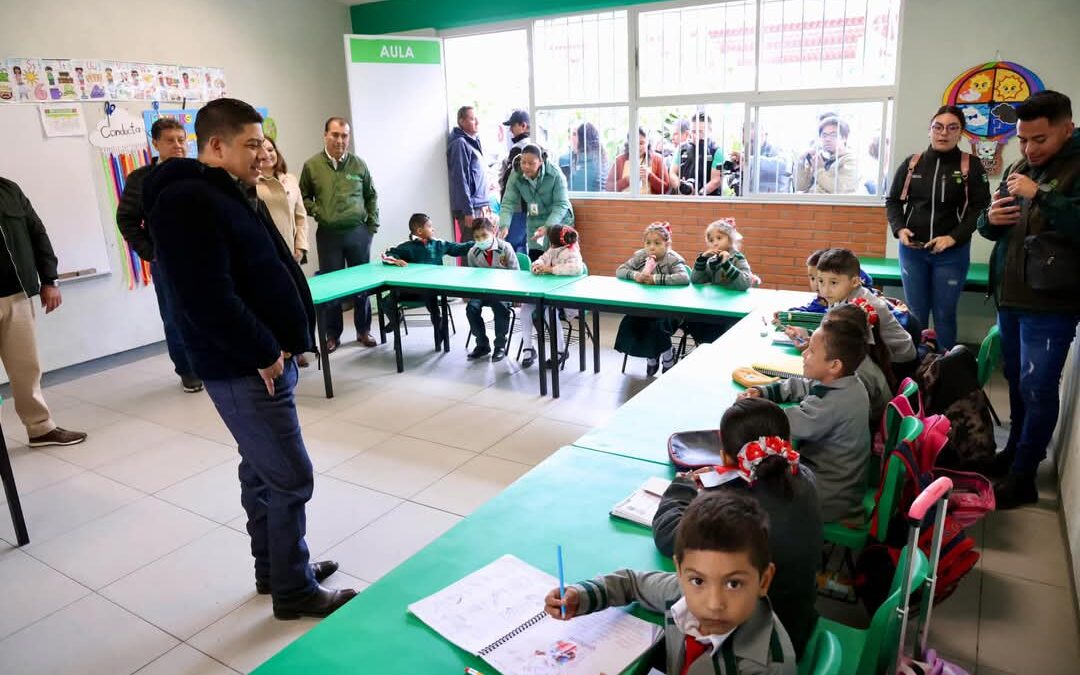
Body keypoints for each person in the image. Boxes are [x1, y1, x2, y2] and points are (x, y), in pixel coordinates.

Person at [144, 98, 355, 619]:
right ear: (215, 146)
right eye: (250, 143)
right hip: (244, 364)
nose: (262, 152)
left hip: (258, 357)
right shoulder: (190, 200)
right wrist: (265, 351)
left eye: (262, 142)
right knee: (290, 476)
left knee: (261, 471)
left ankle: (277, 570)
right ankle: (294, 591)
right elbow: (208, 298)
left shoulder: (228, 189)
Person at [545, 490, 796, 675]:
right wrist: (581, 595)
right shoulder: (680, 594)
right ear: (679, 571)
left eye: (733, 584)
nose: (714, 603)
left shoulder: (767, 667)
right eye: (698, 580)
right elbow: (632, 582)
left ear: (764, 581)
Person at [653, 398, 822, 659]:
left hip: (752, 644)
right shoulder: (805, 477)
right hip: (799, 621)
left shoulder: (736, 512)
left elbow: (668, 536)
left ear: (724, 457)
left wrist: (683, 484)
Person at [976, 90, 1080, 508]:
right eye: (1022, 139)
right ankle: (1013, 454)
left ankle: (1025, 476)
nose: (1029, 148)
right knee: (1017, 383)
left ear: (1067, 129)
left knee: (1038, 387)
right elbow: (990, 223)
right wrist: (990, 219)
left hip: (1051, 302)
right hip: (1012, 294)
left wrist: (1041, 195)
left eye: (1039, 139)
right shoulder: (1020, 165)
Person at [740, 317, 871, 523]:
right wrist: (764, 392)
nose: (804, 353)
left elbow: (783, 424)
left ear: (834, 365)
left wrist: (750, 411)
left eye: (811, 351)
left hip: (828, 497)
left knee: (749, 489)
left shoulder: (834, 402)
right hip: (840, 485)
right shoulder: (846, 382)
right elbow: (804, 385)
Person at [886, 105, 991, 351]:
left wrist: (953, 238)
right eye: (938, 127)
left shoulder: (971, 166)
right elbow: (893, 201)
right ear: (930, 130)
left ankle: (945, 369)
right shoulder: (912, 164)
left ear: (961, 133)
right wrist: (900, 229)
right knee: (916, 314)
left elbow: (980, 208)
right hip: (913, 252)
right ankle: (914, 367)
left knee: (945, 313)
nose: (944, 133)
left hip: (951, 254)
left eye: (952, 128)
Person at [116, 117, 202, 392]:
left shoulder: (200, 171)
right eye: (170, 141)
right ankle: (187, 370)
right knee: (175, 317)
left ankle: (212, 361)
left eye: (181, 140)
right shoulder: (141, 179)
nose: (178, 146)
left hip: (203, 256)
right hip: (167, 261)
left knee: (208, 309)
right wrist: (150, 252)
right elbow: (127, 219)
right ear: (155, 144)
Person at [0, 179, 87, 448]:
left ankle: (40, 428)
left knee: (26, 368)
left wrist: (50, 279)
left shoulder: (8, 190)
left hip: (16, 294)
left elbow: (37, 233)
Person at [299, 117, 379, 354]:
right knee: (331, 285)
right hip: (329, 234)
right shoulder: (312, 166)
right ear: (325, 135)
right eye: (335, 135)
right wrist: (318, 212)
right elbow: (302, 197)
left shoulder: (358, 165)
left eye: (344, 136)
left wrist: (371, 227)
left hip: (357, 233)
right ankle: (332, 335)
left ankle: (363, 330)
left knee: (361, 285)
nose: (340, 140)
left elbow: (371, 195)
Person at [816, 248, 918, 373]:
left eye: (833, 282)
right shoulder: (840, 295)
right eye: (821, 281)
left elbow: (857, 353)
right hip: (877, 355)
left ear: (854, 281)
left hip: (899, 361)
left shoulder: (862, 307)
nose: (825, 290)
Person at [614, 222, 690, 377]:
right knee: (631, 322)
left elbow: (684, 278)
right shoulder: (641, 256)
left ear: (667, 244)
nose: (651, 247)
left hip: (671, 309)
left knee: (658, 326)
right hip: (646, 306)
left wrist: (656, 279)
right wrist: (636, 275)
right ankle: (651, 356)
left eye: (657, 243)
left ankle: (668, 357)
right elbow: (620, 270)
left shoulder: (673, 259)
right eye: (647, 243)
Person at [381, 213, 474, 336]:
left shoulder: (439, 244)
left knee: (432, 301)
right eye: (430, 226)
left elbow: (459, 248)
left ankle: (439, 327)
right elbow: (387, 255)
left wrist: (477, 243)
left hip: (430, 290)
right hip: (409, 289)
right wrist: (396, 260)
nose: (433, 229)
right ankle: (396, 319)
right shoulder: (406, 247)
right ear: (419, 231)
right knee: (386, 302)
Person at [517, 224, 583, 369]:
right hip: (545, 294)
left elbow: (576, 268)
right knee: (525, 309)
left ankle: (560, 351)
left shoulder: (572, 252)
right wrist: (537, 266)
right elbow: (542, 259)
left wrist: (551, 269)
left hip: (565, 299)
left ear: (552, 240)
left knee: (549, 312)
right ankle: (528, 349)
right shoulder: (553, 249)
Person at [498, 144, 575, 262]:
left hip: (559, 221)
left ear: (540, 161)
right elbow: (508, 202)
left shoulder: (555, 174)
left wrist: (548, 227)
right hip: (535, 219)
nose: (526, 166)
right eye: (523, 162)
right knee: (536, 260)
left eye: (531, 163)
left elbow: (561, 204)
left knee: (557, 261)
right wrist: (504, 225)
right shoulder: (516, 173)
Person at [684, 219, 756, 345]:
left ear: (730, 239)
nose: (715, 243)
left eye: (719, 238)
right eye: (711, 240)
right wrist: (702, 260)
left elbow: (745, 282)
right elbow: (696, 280)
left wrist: (727, 264)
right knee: (693, 320)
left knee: (723, 331)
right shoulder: (712, 259)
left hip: (732, 308)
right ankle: (704, 345)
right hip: (714, 305)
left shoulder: (737, 258)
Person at [464, 217, 520, 362]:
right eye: (477, 237)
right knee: (471, 308)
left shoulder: (505, 247)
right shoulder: (473, 253)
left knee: (499, 305)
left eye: (484, 235)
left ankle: (500, 345)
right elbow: (473, 277)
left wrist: (516, 297)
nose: (481, 240)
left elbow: (517, 274)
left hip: (503, 290)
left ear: (493, 232)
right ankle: (482, 344)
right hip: (482, 291)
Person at [447, 106, 491, 243]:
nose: (477, 122)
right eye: (472, 119)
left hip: (478, 205)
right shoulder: (460, 143)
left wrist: (485, 202)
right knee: (471, 249)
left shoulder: (473, 141)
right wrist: (468, 211)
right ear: (461, 122)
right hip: (470, 208)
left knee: (482, 248)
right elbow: (460, 179)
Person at [498, 109, 533, 253]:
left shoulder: (518, 148)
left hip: (517, 205)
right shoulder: (533, 146)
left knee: (511, 244)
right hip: (529, 204)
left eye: (513, 125)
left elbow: (507, 179)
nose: (510, 130)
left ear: (523, 126)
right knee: (524, 244)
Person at [795, 116, 857, 194]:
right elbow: (800, 186)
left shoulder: (850, 160)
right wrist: (801, 160)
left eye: (833, 135)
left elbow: (840, 189)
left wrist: (819, 170)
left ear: (844, 138)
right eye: (824, 135)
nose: (827, 139)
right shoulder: (819, 157)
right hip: (808, 202)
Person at [606, 127, 670, 195]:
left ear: (647, 143)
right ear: (628, 143)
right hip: (624, 203)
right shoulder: (620, 160)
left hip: (649, 204)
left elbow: (665, 189)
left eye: (641, 143)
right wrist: (627, 180)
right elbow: (608, 187)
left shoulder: (658, 159)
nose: (638, 147)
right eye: (634, 143)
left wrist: (650, 176)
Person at [675, 112, 725, 196]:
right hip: (683, 199)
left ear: (710, 130)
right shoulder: (682, 148)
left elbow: (716, 180)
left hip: (708, 201)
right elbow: (672, 173)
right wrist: (681, 189)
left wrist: (699, 194)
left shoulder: (716, 151)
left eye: (700, 132)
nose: (696, 135)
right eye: (694, 131)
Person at [558, 122, 606, 192]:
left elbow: (573, 190)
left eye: (574, 134)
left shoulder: (591, 163)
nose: (570, 138)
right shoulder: (596, 158)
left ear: (583, 138)